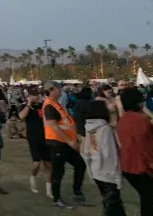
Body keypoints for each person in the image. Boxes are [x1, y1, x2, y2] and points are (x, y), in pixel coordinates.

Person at [43, 81, 86, 209]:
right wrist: (70, 141)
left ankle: (76, 192)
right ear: (51, 90)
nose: (60, 90)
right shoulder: (49, 105)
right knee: (58, 172)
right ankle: (57, 199)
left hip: (65, 143)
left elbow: (66, 123)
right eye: (58, 88)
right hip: (58, 143)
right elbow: (54, 126)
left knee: (80, 164)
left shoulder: (57, 104)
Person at [116, 87, 153, 216]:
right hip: (141, 167)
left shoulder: (123, 119)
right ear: (139, 103)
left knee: (147, 198)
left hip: (128, 166)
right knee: (149, 199)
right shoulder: (140, 120)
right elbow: (147, 147)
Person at [80, 100, 126, 216]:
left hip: (96, 171)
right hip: (108, 173)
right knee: (113, 206)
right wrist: (117, 178)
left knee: (109, 203)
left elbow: (85, 151)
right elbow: (110, 155)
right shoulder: (105, 129)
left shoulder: (89, 127)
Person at [18, 87, 52, 198]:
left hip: (45, 137)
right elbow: (21, 116)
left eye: (37, 95)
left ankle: (49, 190)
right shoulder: (25, 106)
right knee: (36, 163)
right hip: (33, 138)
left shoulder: (43, 106)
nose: (36, 97)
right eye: (33, 95)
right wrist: (28, 104)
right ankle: (32, 177)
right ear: (28, 97)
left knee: (48, 164)